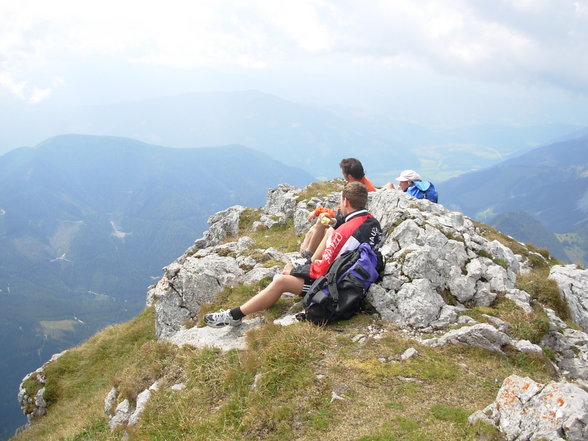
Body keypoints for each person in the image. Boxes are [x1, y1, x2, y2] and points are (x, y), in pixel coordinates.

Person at [204, 181, 382, 327]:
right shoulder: (372, 222)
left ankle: (234, 316)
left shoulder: (344, 232)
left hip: (337, 287)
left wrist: (294, 271)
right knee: (290, 273)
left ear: (345, 201)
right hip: (356, 277)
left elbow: (321, 271)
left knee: (280, 281)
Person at [300, 158, 376, 260]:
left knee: (321, 222)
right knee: (312, 231)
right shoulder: (364, 184)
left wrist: (319, 211)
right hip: (347, 221)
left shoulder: (358, 191)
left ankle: (309, 256)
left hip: (348, 224)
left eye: (344, 174)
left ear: (349, 176)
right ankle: (307, 254)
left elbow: (342, 212)